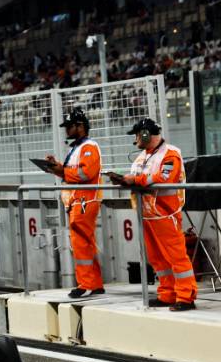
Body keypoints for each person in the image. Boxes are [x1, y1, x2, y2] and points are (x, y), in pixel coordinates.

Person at [118, 118, 197, 311]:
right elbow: (142, 179)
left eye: (137, 135)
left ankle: (186, 296)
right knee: (157, 258)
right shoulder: (142, 157)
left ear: (146, 134)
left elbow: (165, 177)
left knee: (176, 257)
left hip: (165, 214)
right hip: (147, 215)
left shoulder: (170, 154)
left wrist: (135, 180)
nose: (136, 139)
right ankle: (167, 294)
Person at [44, 107, 104, 298]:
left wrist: (62, 171)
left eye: (69, 126)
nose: (66, 130)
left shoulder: (89, 147)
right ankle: (95, 283)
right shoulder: (77, 148)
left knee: (81, 244)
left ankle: (86, 284)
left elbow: (85, 174)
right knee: (86, 243)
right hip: (79, 200)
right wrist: (56, 167)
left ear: (80, 126)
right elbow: (73, 173)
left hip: (85, 200)